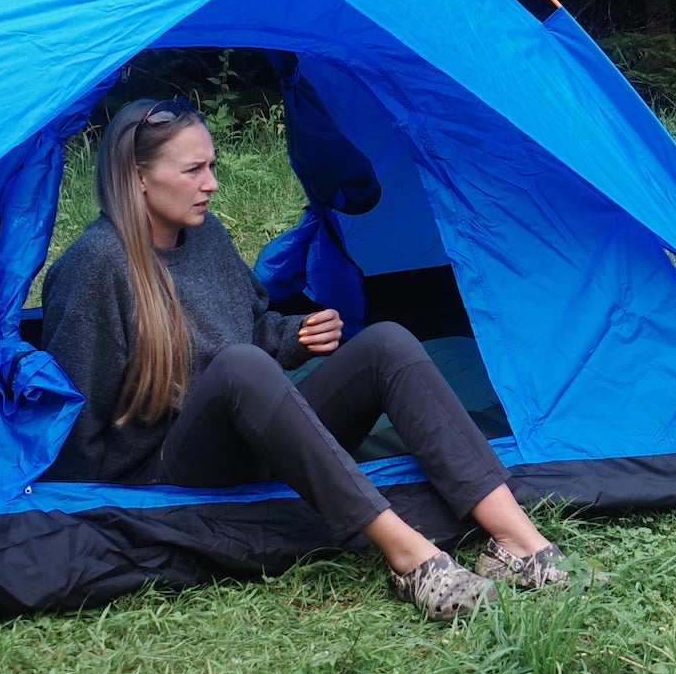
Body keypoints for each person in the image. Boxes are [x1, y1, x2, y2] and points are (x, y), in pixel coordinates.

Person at [41, 97, 565, 622]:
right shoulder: (95, 265)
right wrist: (104, 517)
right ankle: (412, 559)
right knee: (240, 366)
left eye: (212, 167)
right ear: (138, 178)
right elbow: (76, 425)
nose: (212, 184)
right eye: (194, 170)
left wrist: (298, 335)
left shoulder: (206, 236)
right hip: (166, 475)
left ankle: (519, 542)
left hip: (252, 438)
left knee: (386, 342)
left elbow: (249, 330)